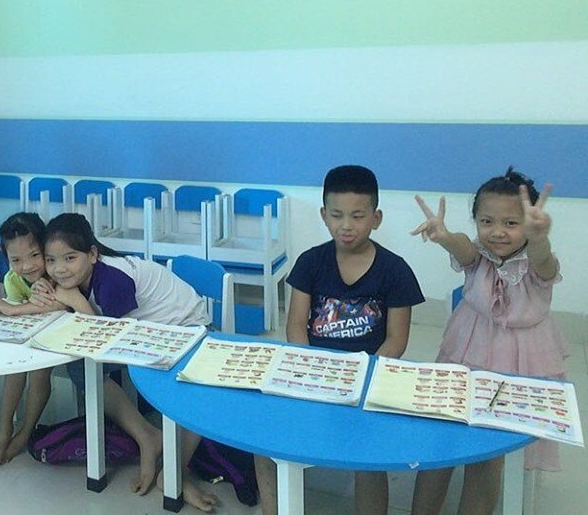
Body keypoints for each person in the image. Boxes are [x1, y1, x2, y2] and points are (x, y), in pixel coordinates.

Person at [254, 165, 424, 515]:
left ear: (376, 218)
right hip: (315, 371)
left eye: (357, 216)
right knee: (264, 435)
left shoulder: (395, 270)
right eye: (336, 215)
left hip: (368, 377)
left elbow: (396, 340)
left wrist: (364, 376)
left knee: (369, 455)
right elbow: (296, 326)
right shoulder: (310, 262)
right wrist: (311, 368)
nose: (346, 225)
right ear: (324, 215)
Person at [30, 212, 217, 512]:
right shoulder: (75, 276)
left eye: (69, 258)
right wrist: (46, 290)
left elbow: (105, 340)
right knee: (80, 367)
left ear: (92, 254)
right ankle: (147, 437)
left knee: (190, 390)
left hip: (188, 332)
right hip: (146, 335)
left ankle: (175, 473)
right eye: (51, 261)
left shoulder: (113, 280)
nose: (59, 269)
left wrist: (74, 301)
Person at [410, 168, 567, 515]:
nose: (498, 232)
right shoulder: (478, 255)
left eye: (511, 223)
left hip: (521, 360)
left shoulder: (537, 263)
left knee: (489, 454)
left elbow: (544, 261)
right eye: (487, 221)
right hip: (469, 347)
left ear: (528, 224)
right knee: (441, 440)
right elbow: (464, 248)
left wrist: (539, 238)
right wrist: (444, 236)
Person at [0, 212, 67, 472]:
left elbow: (62, 305)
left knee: (39, 372)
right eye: (16, 260)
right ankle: (4, 430)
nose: (27, 266)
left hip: (61, 336)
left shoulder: (58, 271)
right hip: (30, 336)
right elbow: (18, 315)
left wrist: (21, 307)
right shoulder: (13, 279)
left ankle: (26, 430)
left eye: (34, 255)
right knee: (15, 365)